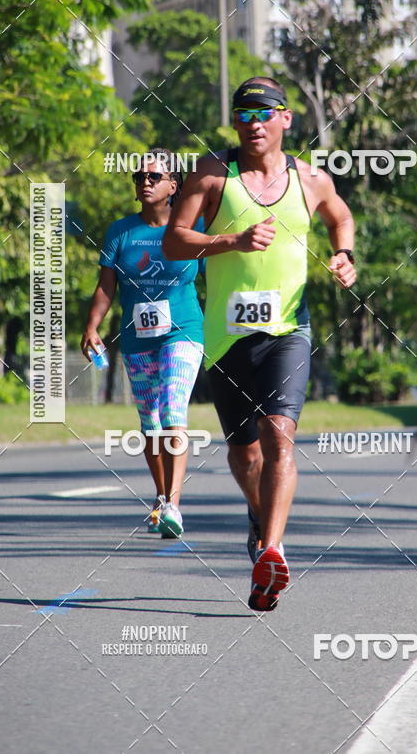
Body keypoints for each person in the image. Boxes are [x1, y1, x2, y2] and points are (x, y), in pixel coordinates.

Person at [163, 78, 356, 610]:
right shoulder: (211, 174)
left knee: (278, 436)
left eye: (264, 112)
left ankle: (271, 551)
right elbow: (174, 238)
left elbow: (340, 214)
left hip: (288, 330)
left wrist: (344, 253)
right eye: (243, 113)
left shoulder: (310, 179)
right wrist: (231, 240)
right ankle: (258, 515)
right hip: (226, 338)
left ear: (285, 119)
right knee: (244, 453)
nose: (253, 122)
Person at [81, 148, 204, 538]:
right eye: (140, 177)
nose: (145, 182)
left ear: (174, 186)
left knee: (171, 409)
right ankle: (162, 495)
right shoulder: (121, 231)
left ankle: (175, 505)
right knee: (150, 424)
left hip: (183, 332)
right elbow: (106, 286)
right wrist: (92, 326)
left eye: (155, 177)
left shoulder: (194, 226)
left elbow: (219, 276)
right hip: (137, 338)